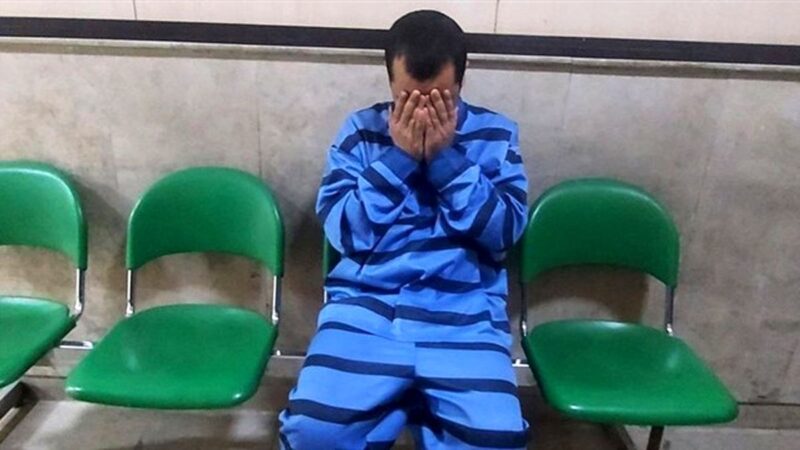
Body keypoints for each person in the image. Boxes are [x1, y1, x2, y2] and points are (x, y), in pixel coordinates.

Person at [279, 9, 529, 449]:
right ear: (390, 82)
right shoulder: (360, 133)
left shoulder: (496, 136)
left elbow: (504, 231)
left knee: (496, 439)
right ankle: (392, 409)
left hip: (463, 316)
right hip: (368, 309)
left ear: (460, 84)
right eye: (408, 99)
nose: (422, 112)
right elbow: (343, 232)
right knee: (312, 432)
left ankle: (409, 410)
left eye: (439, 99)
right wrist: (398, 159)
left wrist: (448, 161)